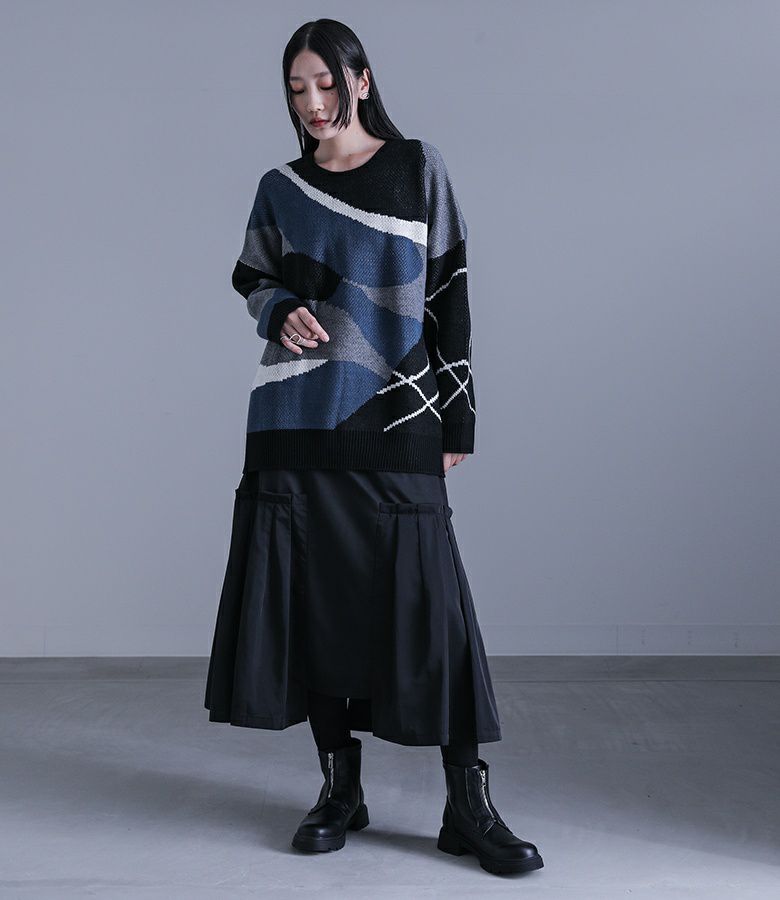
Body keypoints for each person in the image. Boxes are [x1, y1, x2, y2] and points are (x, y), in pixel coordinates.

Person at [204, 17, 544, 877]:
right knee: (314, 599)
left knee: (432, 610)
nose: (312, 103)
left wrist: (458, 418)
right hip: (294, 418)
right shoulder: (281, 186)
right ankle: (340, 789)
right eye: (297, 89)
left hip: (397, 416)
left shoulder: (416, 168)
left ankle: (468, 806)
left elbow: (451, 292)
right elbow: (251, 275)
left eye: (326, 83)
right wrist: (280, 308)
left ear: (361, 79)